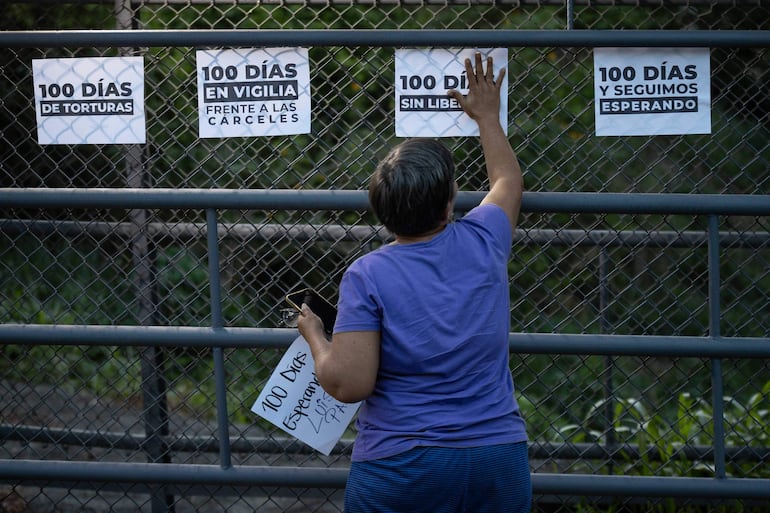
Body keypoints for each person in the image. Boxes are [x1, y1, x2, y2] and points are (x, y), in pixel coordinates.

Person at [298, 52, 530, 513]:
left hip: (401, 467)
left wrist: (316, 338)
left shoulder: (368, 275)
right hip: (496, 458)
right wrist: (486, 115)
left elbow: (350, 385)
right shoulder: (485, 238)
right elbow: (507, 178)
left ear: (382, 213)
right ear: (448, 206)